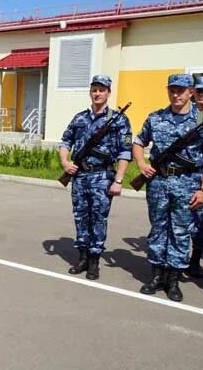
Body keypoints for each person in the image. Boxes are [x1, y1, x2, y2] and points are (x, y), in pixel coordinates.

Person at [133, 73, 203, 302]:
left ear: (190, 93)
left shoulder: (202, 121)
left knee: (181, 232)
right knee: (158, 229)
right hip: (158, 184)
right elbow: (138, 141)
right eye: (172, 90)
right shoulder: (156, 118)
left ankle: (173, 280)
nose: (176, 94)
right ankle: (156, 275)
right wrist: (142, 164)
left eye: (181, 90)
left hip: (188, 185)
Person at [59, 75, 132, 280]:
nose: (97, 93)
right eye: (94, 89)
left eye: (102, 89)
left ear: (108, 92)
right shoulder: (79, 118)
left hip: (102, 175)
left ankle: (94, 261)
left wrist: (118, 180)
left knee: (98, 218)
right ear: (90, 92)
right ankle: (82, 257)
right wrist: (65, 162)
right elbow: (65, 141)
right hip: (80, 176)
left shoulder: (119, 119)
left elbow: (125, 152)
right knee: (80, 216)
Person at [187, 75, 203, 278]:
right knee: (191, 220)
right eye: (199, 91)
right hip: (191, 177)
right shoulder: (192, 116)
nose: (202, 95)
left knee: (202, 225)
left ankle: (195, 260)